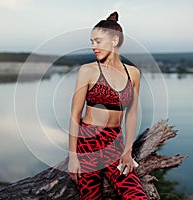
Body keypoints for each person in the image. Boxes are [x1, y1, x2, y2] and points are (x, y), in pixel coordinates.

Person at [68, 11, 148, 200]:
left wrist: (127, 150)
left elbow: (132, 114)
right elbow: (74, 115)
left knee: (137, 195)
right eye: (92, 42)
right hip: (88, 143)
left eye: (98, 41)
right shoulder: (87, 70)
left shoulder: (133, 73)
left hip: (115, 143)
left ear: (114, 41)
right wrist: (73, 157)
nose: (93, 47)